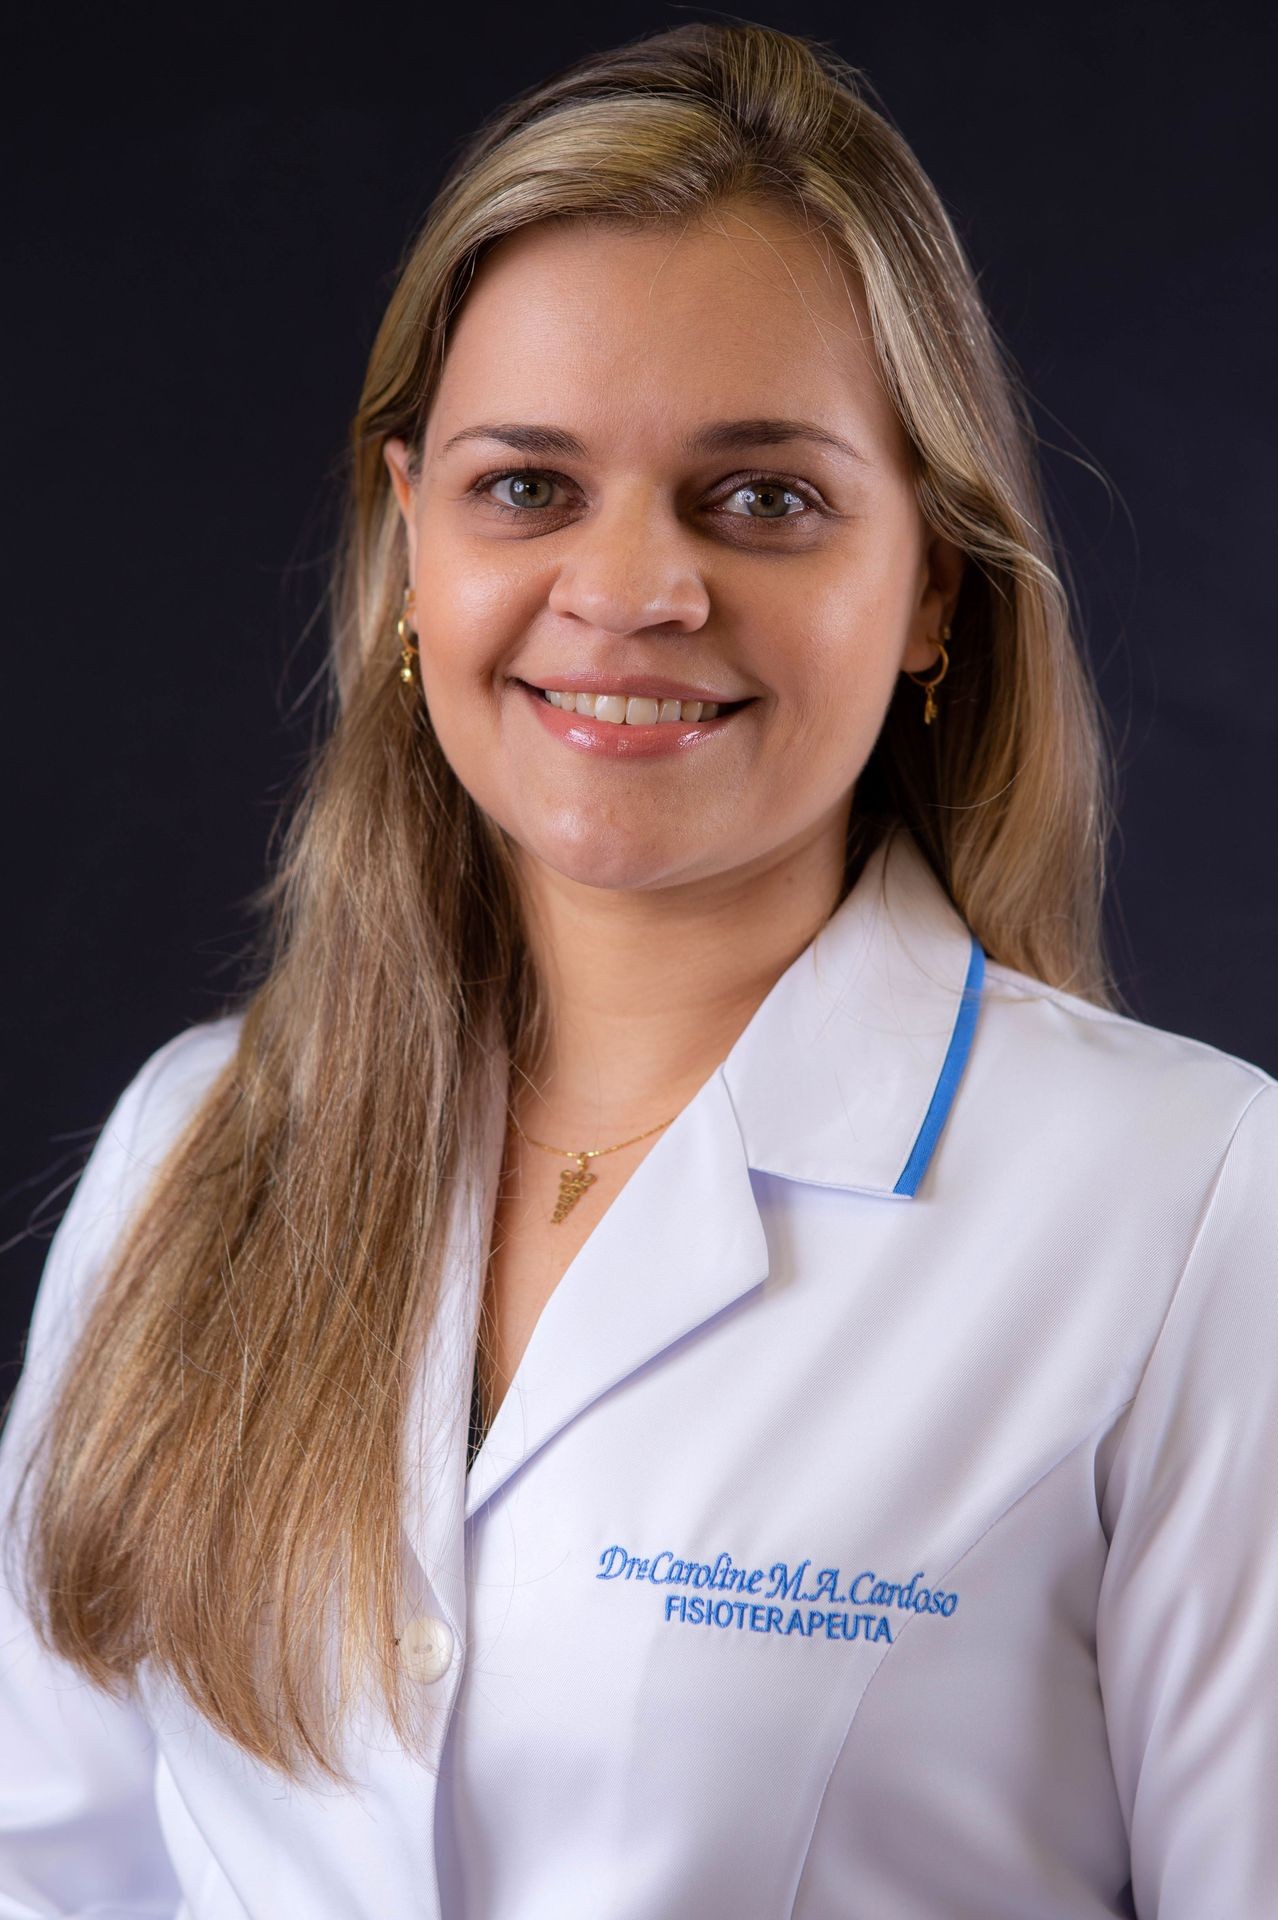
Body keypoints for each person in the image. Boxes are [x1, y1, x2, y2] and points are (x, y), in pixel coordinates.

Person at [1, 21, 1274, 1920]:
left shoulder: (1193, 1206)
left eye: (758, 498)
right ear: (406, 531)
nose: (628, 591)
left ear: (930, 581)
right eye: (526, 487)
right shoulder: (193, 1142)